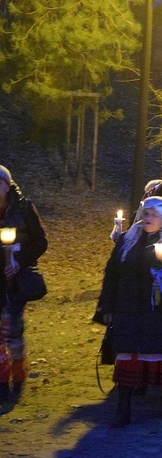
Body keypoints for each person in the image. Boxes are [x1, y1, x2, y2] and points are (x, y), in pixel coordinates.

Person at [97, 196, 162, 427]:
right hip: (129, 309)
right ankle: (123, 408)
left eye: (154, 214)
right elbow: (112, 274)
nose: (148, 218)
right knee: (128, 355)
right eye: (146, 213)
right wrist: (107, 306)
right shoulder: (128, 240)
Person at [0, 165, 47, 404]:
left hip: (16, 279)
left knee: (13, 329)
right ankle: (1, 380)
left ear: (7, 185)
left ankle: (18, 375)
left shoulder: (24, 207)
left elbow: (40, 242)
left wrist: (18, 262)